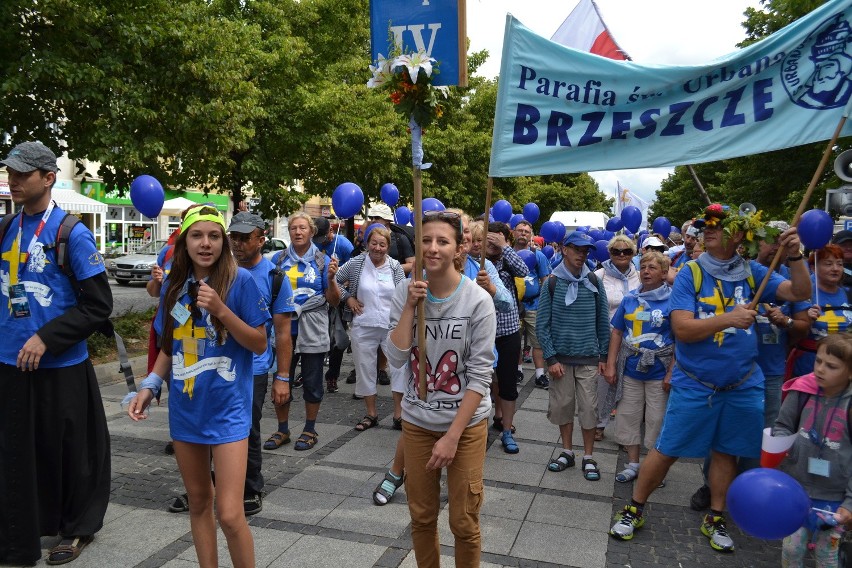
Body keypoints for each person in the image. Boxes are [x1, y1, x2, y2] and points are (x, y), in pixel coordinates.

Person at [609, 203, 811, 553]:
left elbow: (800, 294)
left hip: (742, 383)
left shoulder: (753, 271)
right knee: (667, 449)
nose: (708, 230)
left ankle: (716, 516)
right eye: (705, 226)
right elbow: (683, 329)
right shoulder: (691, 272)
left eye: (717, 225)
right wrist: (728, 319)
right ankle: (634, 508)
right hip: (696, 383)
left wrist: (795, 256)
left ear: (738, 235)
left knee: (726, 451)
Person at [127, 205, 269, 568]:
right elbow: (171, 346)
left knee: (231, 514)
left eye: (214, 236)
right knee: (199, 502)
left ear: (223, 241)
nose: (206, 244)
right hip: (187, 410)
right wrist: (150, 385)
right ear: (184, 242)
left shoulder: (241, 281)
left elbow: (259, 343)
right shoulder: (176, 287)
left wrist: (221, 310)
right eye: (197, 235)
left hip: (228, 411)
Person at [0, 141, 113, 566]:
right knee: (15, 453)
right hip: (9, 363)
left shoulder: (72, 233)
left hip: (60, 367)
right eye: (10, 172)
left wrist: (48, 337)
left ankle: (76, 528)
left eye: (22, 174)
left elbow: (98, 305)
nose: (12, 180)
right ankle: (18, 534)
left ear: (48, 178)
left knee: (68, 453)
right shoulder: (6, 227)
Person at [385, 210, 496, 567]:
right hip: (418, 423)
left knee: (463, 521)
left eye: (442, 241)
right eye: (426, 240)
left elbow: (480, 377)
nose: (433, 248)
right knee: (422, 516)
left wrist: (452, 436)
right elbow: (397, 358)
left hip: (465, 426)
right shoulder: (405, 290)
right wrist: (409, 307)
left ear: (459, 246)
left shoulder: (477, 301)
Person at [227, 211, 295, 516]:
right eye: (234, 237)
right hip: (217, 365)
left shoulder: (275, 278)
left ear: (261, 240)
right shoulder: (218, 271)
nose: (238, 244)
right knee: (212, 426)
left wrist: (282, 377)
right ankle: (209, 485)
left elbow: (282, 333)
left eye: (245, 238)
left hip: (253, 367)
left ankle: (250, 487)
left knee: (248, 428)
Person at [537, 230, 610, 481]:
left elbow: (603, 321)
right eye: (577, 249)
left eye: (585, 250)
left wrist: (604, 356)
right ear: (564, 249)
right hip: (561, 361)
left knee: (590, 409)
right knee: (563, 407)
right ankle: (567, 451)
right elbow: (542, 324)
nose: (582, 254)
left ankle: (588, 456)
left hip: (588, 357)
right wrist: (551, 358)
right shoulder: (552, 282)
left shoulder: (593, 281)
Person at [775, 334, 852, 567]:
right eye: (818, 361)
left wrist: (850, 502)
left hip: (834, 498)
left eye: (831, 366)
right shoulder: (802, 389)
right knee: (791, 548)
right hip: (796, 490)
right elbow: (783, 425)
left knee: (827, 555)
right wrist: (782, 447)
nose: (820, 369)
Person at [263, 212, 339, 451]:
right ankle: (283, 429)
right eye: (294, 228)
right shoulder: (277, 259)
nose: (297, 232)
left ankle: (309, 428)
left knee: (312, 379)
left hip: (312, 327)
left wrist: (332, 279)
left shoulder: (323, 261)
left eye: (302, 228)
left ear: (311, 232)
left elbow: (334, 301)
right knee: (280, 378)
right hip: (283, 329)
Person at [604, 251, 674, 483]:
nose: (645, 271)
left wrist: (672, 371)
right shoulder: (630, 299)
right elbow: (617, 332)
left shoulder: (674, 300)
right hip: (631, 368)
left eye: (652, 268)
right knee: (628, 416)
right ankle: (633, 463)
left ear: (664, 273)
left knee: (656, 420)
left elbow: (680, 339)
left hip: (659, 370)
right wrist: (612, 365)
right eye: (643, 267)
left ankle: (654, 468)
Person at [335, 224, 405, 431]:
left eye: (382, 244)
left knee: (400, 369)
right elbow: (334, 281)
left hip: (391, 326)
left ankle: (399, 414)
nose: (377, 248)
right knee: (365, 369)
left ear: (388, 247)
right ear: (367, 244)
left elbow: (402, 292)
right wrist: (348, 299)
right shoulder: (357, 263)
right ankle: (371, 413)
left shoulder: (394, 267)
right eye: (373, 243)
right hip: (363, 324)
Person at [485, 221, 529, 453]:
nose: (491, 244)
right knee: (486, 381)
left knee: (508, 381)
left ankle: (506, 430)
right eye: (488, 239)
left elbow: (523, 271)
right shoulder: (477, 262)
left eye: (496, 239)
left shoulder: (507, 259)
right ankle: (487, 422)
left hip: (508, 329)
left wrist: (504, 247)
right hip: (482, 332)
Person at [594, 234, 640, 441]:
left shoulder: (640, 276)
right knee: (604, 383)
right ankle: (599, 423)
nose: (621, 254)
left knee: (630, 387)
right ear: (609, 253)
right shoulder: (599, 275)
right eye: (616, 251)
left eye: (626, 251)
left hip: (635, 339)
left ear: (634, 253)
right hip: (606, 336)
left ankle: (626, 432)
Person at [789, 244, 852, 379]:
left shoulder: (848, 294)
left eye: (839, 264)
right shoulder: (803, 294)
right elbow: (790, 336)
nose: (835, 269)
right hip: (806, 367)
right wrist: (806, 320)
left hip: (841, 368)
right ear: (813, 268)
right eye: (828, 264)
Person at [513, 220, 552, 389]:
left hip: (534, 305)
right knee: (515, 342)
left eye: (526, 231)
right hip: (513, 307)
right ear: (514, 232)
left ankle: (540, 375)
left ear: (531, 235)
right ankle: (518, 370)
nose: (523, 233)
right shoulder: (507, 253)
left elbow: (545, 280)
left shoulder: (538, 255)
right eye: (520, 230)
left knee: (538, 342)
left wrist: (545, 304)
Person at [831, 229, 852, 294]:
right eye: (844, 245)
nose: (848, 248)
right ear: (833, 247)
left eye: (851, 245)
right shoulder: (827, 268)